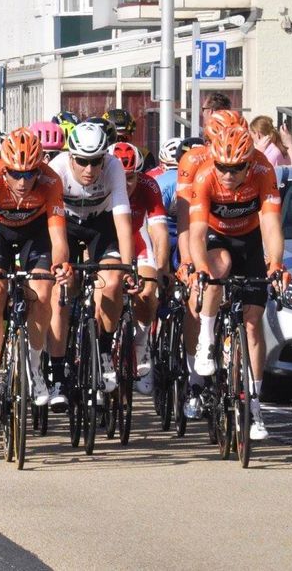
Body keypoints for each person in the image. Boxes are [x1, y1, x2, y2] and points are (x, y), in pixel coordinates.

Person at [188, 126, 288, 440]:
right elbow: (197, 233)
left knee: (253, 322)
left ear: (249, 162)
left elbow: (271, 224)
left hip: (249, 238)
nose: (228, 175)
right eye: (222, 167)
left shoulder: (262, 170)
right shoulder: (205, 176)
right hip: (216, 237)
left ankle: (255, 408)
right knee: (219, 266)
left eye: (236, 168)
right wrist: (200, 267)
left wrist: (275, 264)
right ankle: (206, 340)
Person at [0, 128, 72, 415]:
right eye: (16, 174)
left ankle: (34, 366)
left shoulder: (51, 181)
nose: (22, 181)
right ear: (5, 170)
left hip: (36, 233)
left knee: (43, 289)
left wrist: (61, 266)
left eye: (30, 174)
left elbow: (59, 241)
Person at [47, 121, 139, 399]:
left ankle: (104, 351)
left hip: (101, 224)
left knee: (112, 282)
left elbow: (123, 221)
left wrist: (129, 267)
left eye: (95, 161)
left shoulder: (113, 168)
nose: (89, 169)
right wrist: (62, 267)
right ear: (71, 157)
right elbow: (55, 231)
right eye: (83, 161)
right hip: (66, 224)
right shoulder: (57, 170)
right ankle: (58, 371)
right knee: (61, 289)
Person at [112, 142, 169, 394]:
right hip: (107, 243)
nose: (126, 184)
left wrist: (161, 270)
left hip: (137, 239)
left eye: (131, 177)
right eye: (121, 177)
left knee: (148, 291)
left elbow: (159, 233)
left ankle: (141, 346)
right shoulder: (101, 183)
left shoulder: (148, 186)